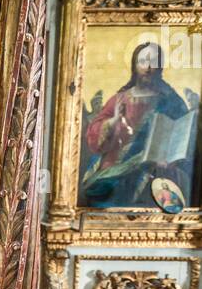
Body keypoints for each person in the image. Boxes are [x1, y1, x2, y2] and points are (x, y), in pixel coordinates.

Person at [81, 42, 192, 206]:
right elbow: (94, 135)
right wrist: (112, 122)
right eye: (143, 61)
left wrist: (170, 158)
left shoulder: (171, 101)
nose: (147, 67)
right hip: (117, 165)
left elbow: (183, 134)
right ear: (134, 65)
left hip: (157, 169)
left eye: (153, 62)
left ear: (160, 67)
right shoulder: (120, 99)